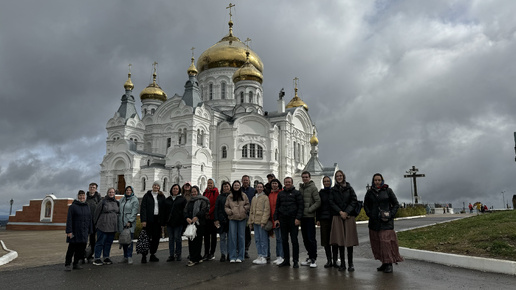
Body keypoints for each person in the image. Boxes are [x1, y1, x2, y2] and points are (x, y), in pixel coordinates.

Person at [364, 173, 404, 273]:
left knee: (386, 242)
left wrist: (391, 214)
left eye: (379, 180)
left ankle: (389, 263)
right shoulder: (369, 192)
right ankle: (383, 262)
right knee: (377, 242)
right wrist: (370, 214)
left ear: (382, 180)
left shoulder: (388, 191)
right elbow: (366, 205)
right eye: (375, 180)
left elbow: (396, 204)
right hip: (374, 222)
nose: (377, 182)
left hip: (386, 222)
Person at [329, 170, 359, 272]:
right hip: (338, 216)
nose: (339, 177)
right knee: (340, 241)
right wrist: (340, 212)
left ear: (343, 176)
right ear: (335, 178)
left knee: (349, 241)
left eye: (340, 176)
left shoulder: (349, 188)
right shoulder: (333, 190)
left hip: (348, 217)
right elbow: (331, 202)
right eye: (337, 176)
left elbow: (353, 200)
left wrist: (346, 212)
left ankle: (350, 263)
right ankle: (342, 263)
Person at [274, 177, 304, 268]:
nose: (287, 183)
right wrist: (276, 218)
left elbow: (300, 206)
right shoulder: (281, 194)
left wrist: (298, 218)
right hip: (283, 220)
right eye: (286, 182)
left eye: (289, 182)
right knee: (284, 241)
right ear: (284, 183)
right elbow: (277, 207)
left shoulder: (297, 193)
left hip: (293, 219)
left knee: (294, 241)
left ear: (292, 183)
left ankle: (295, 260)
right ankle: (286, 260)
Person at [64, 190, 93, 271]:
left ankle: (76, 263)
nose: (82, 197)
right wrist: (69, 231)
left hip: (84, 231)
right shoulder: (73, 207)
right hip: (75, 230)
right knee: (72, 248)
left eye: (83, 196)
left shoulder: (87, 206)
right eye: (80, 196)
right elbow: (69, 219)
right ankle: (67, 264)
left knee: (80, 248)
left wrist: (90, 230)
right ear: (78, 196)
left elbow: (89, 219)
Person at [299, 171, 321, 268]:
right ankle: (309, 256)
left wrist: (309, 209)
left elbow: (318, 201)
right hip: (302, 217)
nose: (305, 179)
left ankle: (313, 258)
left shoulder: (313, 188)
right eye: (303, 177)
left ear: (310, 177)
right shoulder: (301, 188)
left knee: (311, 238)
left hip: (310, 217)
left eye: (306, 177)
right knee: (305, 239)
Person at [140, 181, 166, 263]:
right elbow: (143, 208)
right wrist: (143, 220)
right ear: (152, 186)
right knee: (146, 238)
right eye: (154, 185)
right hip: (149, 220)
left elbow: (164, 209)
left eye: (157, 186)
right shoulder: (147, 195)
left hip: (157, 220)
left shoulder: (161, 196)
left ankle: (152, 254)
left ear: (159, 187)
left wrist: (163, 222)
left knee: (156, 238)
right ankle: (144, 255)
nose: (156, 187)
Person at [93, 187, 119, 266]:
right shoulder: (103, 202)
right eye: (110, 192)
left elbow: (118, 213)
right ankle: (97, 258)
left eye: (113, 192)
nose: (111, 194)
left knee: (108, 242)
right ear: (107, 193)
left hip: (112, 226)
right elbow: (96, 213)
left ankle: (106, 257)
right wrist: (95, 224)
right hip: (103, 225)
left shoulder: (116, 202)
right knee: (100, 242)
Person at [225, 180, 250, 263]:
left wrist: (244, 209)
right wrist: (229, 212)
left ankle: (240, 256)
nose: (236, 186)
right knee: (232, 238)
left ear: (240, 186)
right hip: (232, 218)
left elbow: (247, 204)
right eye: (235, 185)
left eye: (238, 185)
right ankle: (232, 256)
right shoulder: (230, 196)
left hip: (241, 218)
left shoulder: (244, 195)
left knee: (241, 237)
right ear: (233, 186)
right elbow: (226, 206)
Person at [184, 185, 210, 266]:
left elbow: (204, 209)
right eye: (192, 192)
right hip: (191, 223)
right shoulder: (190, 201)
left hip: (199, 223)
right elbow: (185, 210)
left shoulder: (203, 200)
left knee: (198, 241)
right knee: (191, 240)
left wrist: (197, 216)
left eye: (195, 192)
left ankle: (194, 259)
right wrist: (187, 217)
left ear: (198, 191)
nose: (193, 193)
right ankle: (195, 257)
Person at [248, 182, 270, 265]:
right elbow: (251, 211)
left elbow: (266, 210)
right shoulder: (254, 198)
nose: (259, 188)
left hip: (261, 221)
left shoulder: (265, 198)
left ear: (263, 188)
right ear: (256, 188)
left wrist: (263, 221)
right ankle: (259, 255)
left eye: (261, 187)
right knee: (257, 239)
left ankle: (264, 256)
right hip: (255, 221)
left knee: (263, 239)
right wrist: (250, 222)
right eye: (258, 187)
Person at [163, 184, 187, 262]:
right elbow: (164, 211)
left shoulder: (182, 199)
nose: (175, 190)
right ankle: (171, 255)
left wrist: (183, 220)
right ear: (171, 190)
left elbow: (184, 210)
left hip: (178, 222)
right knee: (171, 239)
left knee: (177, 238)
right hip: (170, 222)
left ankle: (178, 254)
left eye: (177, 189)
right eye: (174, 188)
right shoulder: (168, 199)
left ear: (179, 190)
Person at [118, 186, 139, 265]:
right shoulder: (122, 199)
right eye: (127, 190)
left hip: (129, 223)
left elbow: (134, 211)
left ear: (132, 191)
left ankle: (129, 256)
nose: (128, 191)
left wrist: (130, 221)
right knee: (124, 240)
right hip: (122, 222)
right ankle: (125, 256)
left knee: (129, 240)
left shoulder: (134, 200)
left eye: (130, 190)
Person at [316, 176, 334, 268]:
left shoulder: (334, 191)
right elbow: (318, 207)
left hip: (333, 218)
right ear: (323, 183)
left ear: (330, 182)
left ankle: (335, 260)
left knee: (334, 240)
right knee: (325, 240)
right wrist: (318, 219)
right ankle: (329, 260)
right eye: (325, 181)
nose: (326, 182)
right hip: (324, 219)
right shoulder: (321, 193)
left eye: (328, 181)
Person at [268, 178, 284, 265]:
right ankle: (278, 256)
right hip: (273, 219)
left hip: (279, 219)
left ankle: (282, 256)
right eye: (272, 183)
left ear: (278, 184)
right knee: (278, 239)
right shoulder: (270, 194)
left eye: (275, 183)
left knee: (280, 239)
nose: (274, 185)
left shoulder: (281, 193)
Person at [203, 178, 219, 261]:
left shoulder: (215, 192)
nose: (209, 185)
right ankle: (206, 252)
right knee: (206, 236)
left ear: (214, 184)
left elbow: (215, 203)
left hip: (212, 217)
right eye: (208, 183)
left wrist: (209, 212)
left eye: (211, 183)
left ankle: (212, 253)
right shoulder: (205, 192)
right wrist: (204, 212)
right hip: (206, 217)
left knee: (213, 236)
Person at [215, 181, 231, 262]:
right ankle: (223, 254)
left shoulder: (232, 196)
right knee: (222, 238)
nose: (226, 188)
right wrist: (216, 219)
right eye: (224, 186)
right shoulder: (220, 197)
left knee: (229, 238)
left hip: (230, 219)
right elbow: (216, 208)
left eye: (227, 186)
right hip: (221, 220)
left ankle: (229, 253)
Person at [84, 182, 101, 263]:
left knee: (92, 240)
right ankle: (81, 256)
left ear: (96, 189)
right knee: (83, 240)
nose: (92, 188)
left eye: (94, 187)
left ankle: (90, 255)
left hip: (94, 222)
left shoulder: (98, 198)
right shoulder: (85, 197)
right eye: (91, 187)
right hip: (85, 222)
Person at [241, 175, 256, 259]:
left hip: (249, 215)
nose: (245, 182)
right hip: (240, 214)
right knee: (240, 233)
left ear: (249, 181)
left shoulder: (253, 191)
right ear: (242, 181)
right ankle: (240, 249)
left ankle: (246, 250)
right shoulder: (239, 190)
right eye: (244, 180)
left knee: (247, 233)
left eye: (247, 180)